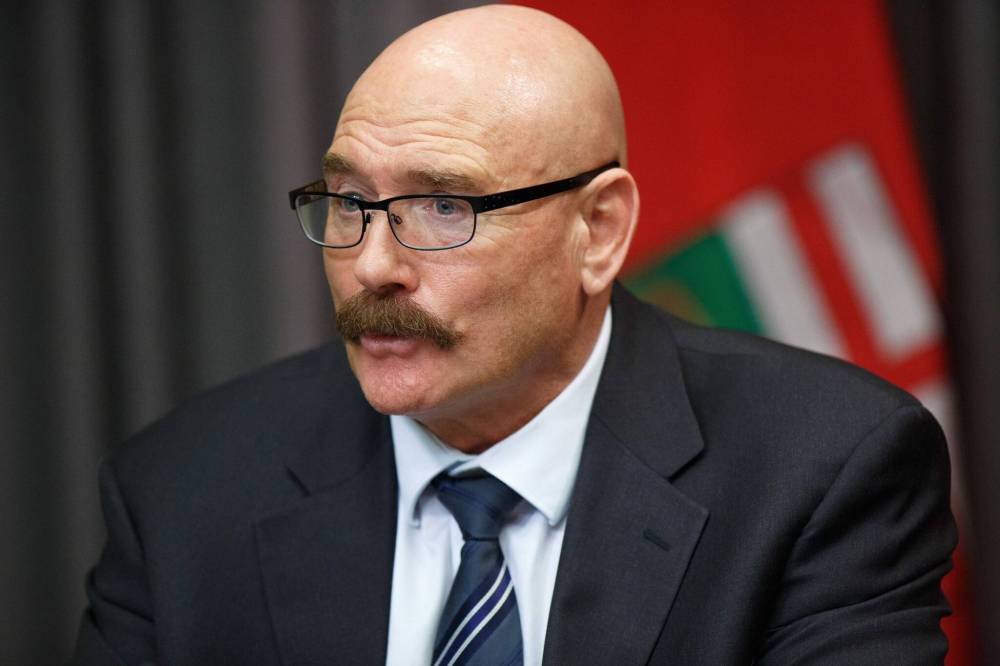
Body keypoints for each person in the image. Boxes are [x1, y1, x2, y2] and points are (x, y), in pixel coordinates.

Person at [72, 5, 956, 665]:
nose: (372, 265)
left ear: (598, 231)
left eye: (442, 206)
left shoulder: (820, 469)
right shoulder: (184, 495)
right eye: (349, 201)